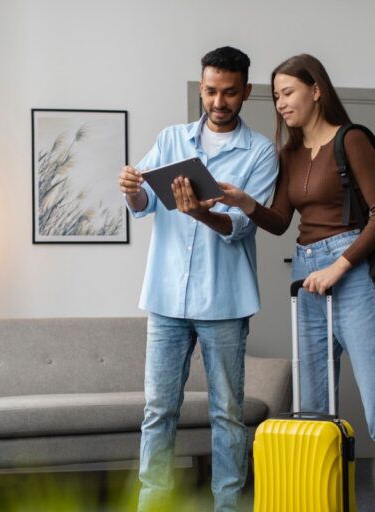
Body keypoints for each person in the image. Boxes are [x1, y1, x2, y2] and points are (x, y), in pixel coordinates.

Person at [216, 53, 375, 512]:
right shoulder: (288, 154)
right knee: (312, 408)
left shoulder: (352, 141)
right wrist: (246, 202)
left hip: (352, 276)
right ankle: (320, 501)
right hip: (305, 278)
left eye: (288, 93)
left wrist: (339, 266)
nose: (281, 104)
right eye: (275, 97)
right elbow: (280, 222)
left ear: (316, 90)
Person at [118, 46, 278, 512]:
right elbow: (144, 204)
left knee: (227, 414)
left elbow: (241, 226)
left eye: (229, 92)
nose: (218, 101)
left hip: (224, 303)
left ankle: (227, 506)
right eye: (211, 90)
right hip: (166, 299)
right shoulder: (171, 139)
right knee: (158, 410)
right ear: (202, 87)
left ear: (246, 92)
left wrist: (202, 215)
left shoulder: (261, 153)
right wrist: (131, 191)